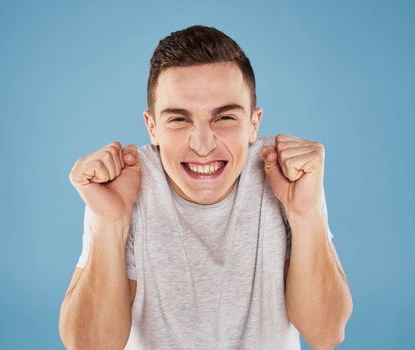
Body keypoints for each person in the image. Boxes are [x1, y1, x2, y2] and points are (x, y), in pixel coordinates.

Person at [59, 25, 353, 350]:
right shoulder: (124, 185)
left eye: (224, 118)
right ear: (152, 127)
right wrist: (110, 222)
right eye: (179, 119)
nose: (202, 146)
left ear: (254, 124)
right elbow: (87, 345)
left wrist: (304, 213)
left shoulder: (287, 174)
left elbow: (326, 334)